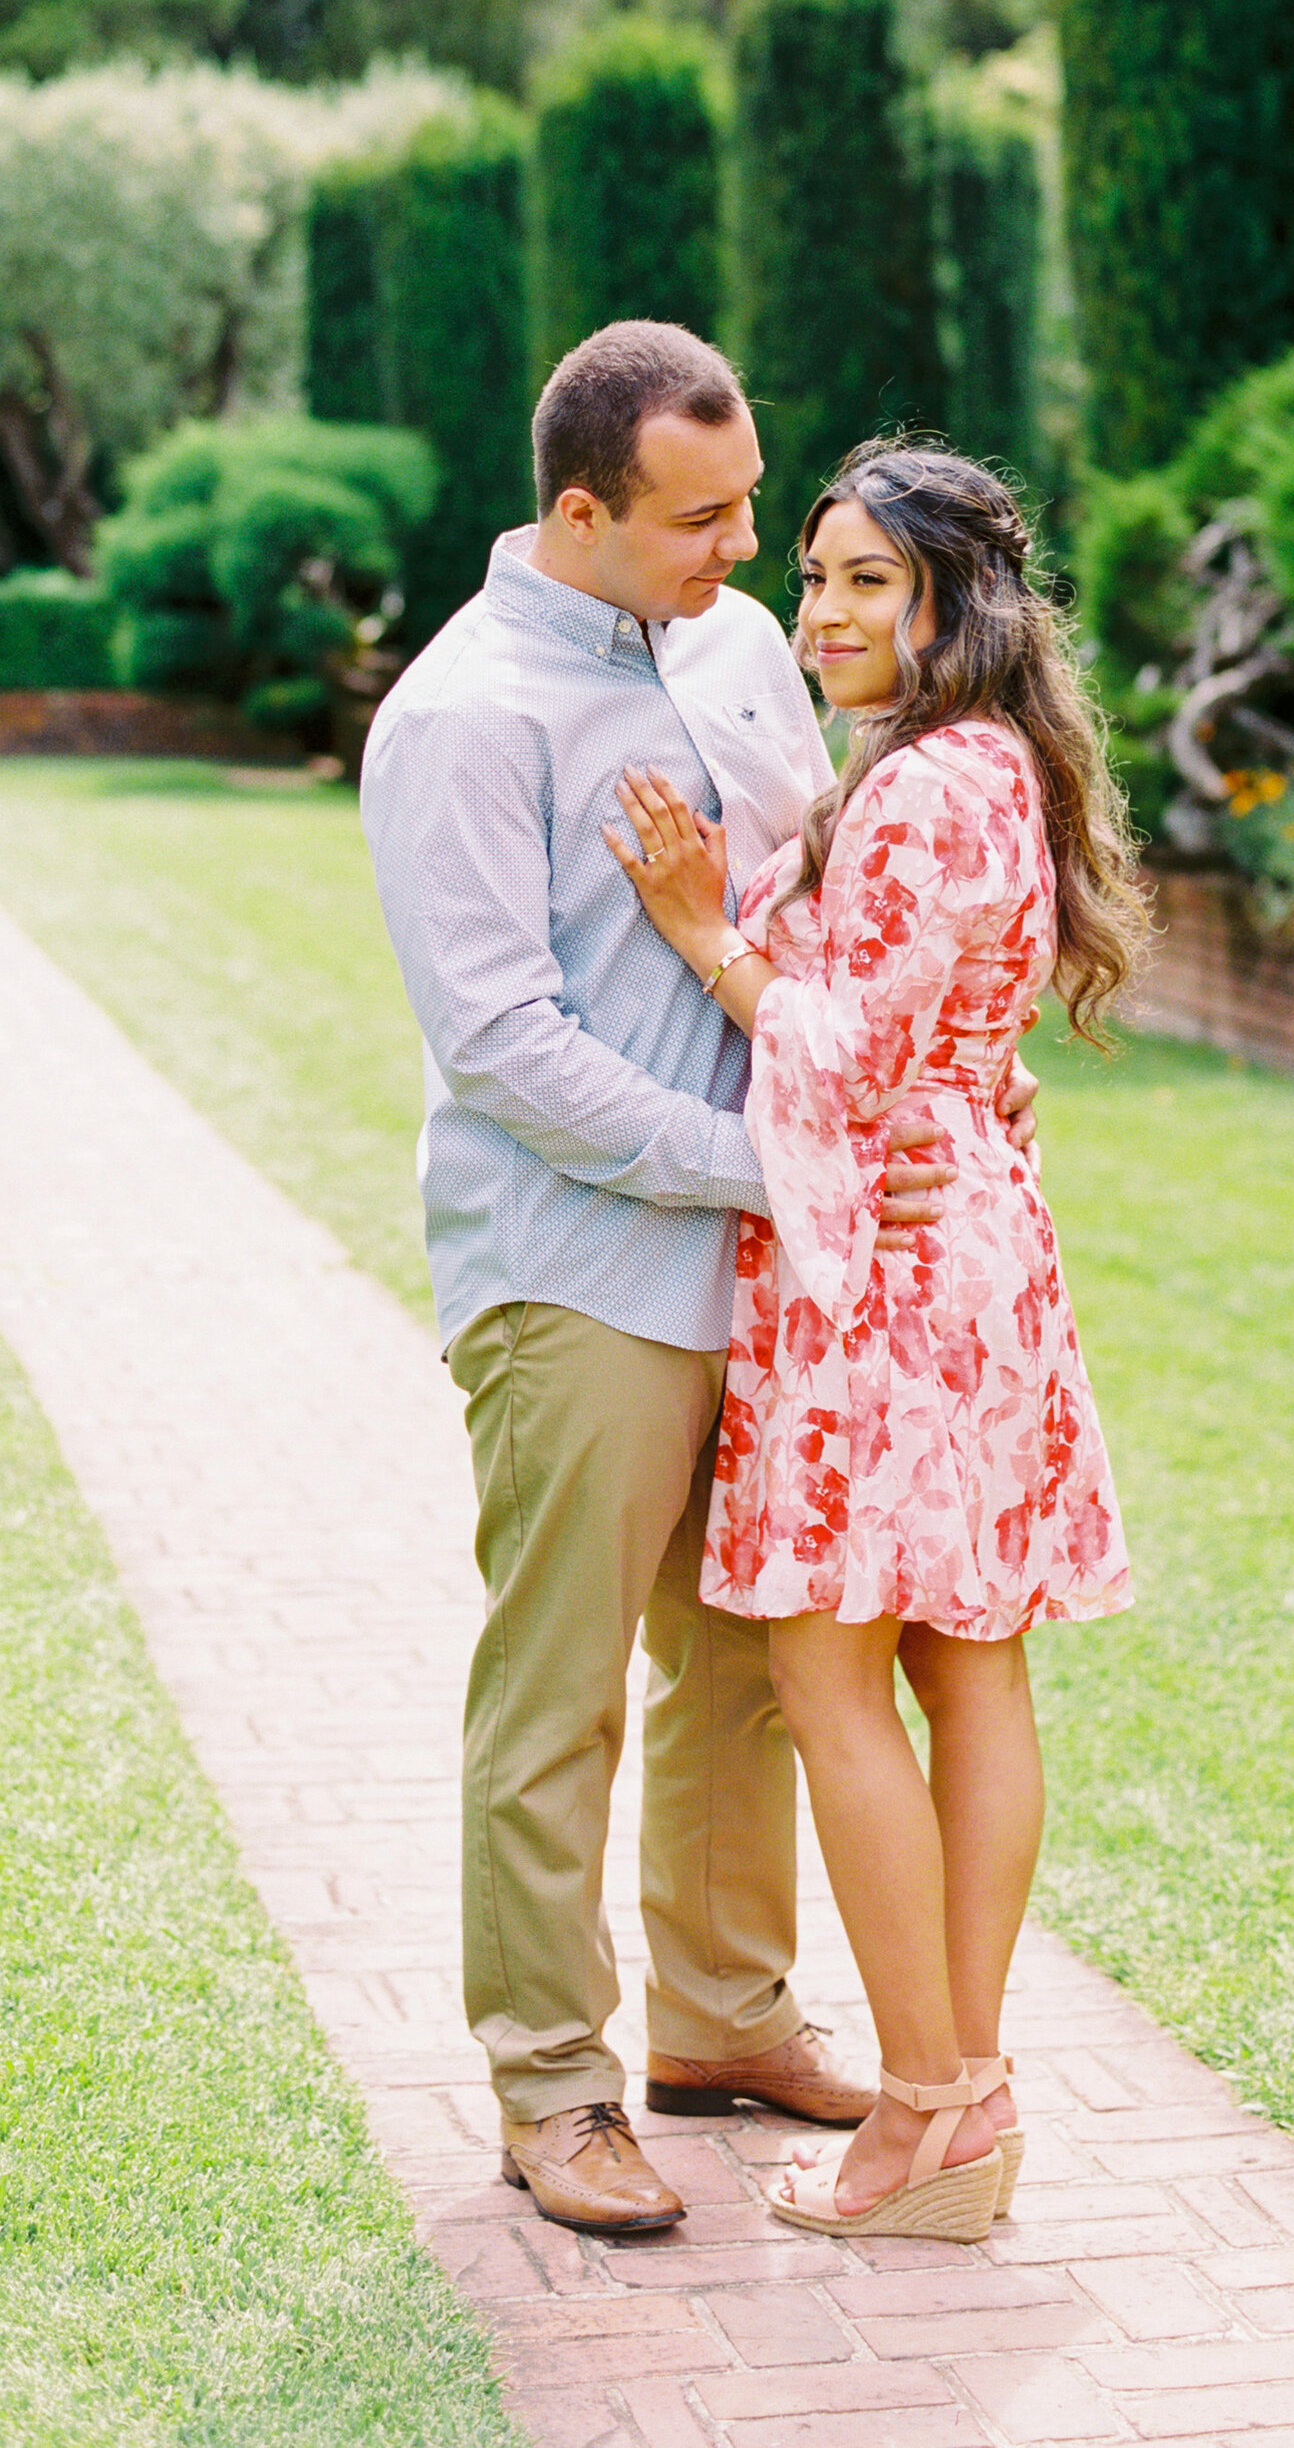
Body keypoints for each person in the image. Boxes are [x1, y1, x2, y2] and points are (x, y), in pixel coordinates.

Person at [359, 326, 1041, 2237]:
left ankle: (727, 2021)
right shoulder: (461, 719)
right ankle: (553, 2087)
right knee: (559, 1687)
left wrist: (944, 1065)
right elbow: (507, 1043)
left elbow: (824, 919)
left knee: (745, 1662)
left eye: (756, 503)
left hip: (783, 1271)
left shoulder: (739, 651)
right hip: (580, 1273)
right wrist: (785, 1159)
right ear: (579, 510)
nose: (747, 547)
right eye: (702, 517)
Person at [604, 441, 1142, 2242]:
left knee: (837, 1678)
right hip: (971, 1241)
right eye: (815, 574)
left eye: (865, 582)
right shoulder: (991, 770)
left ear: (952, 601)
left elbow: (835, 1048)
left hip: (892, 1282)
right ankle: (958, 2102)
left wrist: (700, 933)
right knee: (970, 1669)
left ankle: (933, 2098)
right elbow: (954, 1032)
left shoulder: (924, 788)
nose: (821, 610)